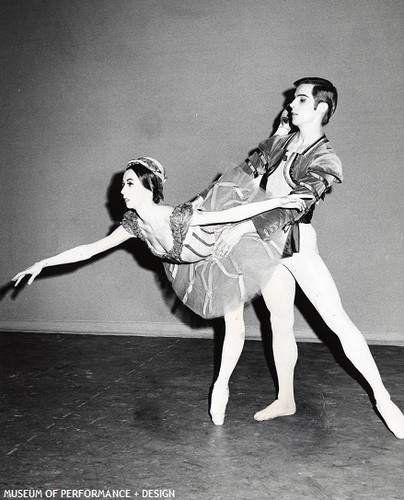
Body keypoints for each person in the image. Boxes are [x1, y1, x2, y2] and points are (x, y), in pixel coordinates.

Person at [176, 77, 404, 439]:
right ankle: (285, 398)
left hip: (295, 244)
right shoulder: (279, 143)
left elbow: (296, 204)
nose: (291, 105)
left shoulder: (327, 158)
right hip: (266, 250)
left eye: (300, 100)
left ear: (321, 108)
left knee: (336, 320)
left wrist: (244, 228)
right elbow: (235, 181)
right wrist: (194, 209)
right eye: (294, 99)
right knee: (278, 323)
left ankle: (383, 399)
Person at [12, 156, 305, 317]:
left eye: (129, 184)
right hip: (191, 264)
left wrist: (277, 203)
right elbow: (88, 250)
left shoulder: (175, 217)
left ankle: (277, 145)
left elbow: (226, 216)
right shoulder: (133, 226)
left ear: (148, 188)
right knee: (229, 316)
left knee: (234, 191)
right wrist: (42, 263)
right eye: (123, 185)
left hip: (223, 243)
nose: (122, 191)